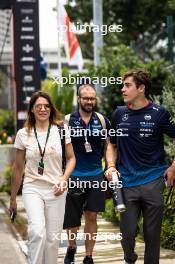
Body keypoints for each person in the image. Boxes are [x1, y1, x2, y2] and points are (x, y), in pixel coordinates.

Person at [105, 69, 175, 264]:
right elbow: (111, 144)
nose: (122, 89)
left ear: (141, 88)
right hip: (126, 182)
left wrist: (174, 166)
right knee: (126, 234)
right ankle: (129, 256)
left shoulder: (159, 113)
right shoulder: (119, 114)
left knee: (152, 235)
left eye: (127, 85)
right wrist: (110, 165)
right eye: (122, 85)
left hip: (154, 180)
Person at [9, 91, 76, 264]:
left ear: (51, 109)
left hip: (56, 189)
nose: (43, 109)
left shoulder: (61, 130)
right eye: (38, 106)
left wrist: (63, 179)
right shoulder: (23, 134)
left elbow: (71, 158)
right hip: (33, 188)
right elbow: (17, 167)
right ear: (31, 109)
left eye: (46, 106)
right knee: (37, 232)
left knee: (53, 239)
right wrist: (13, 199)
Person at [63, 84, 110, 264]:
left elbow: (109, 146)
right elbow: (61, 150)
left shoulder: (102, 120)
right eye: (86, 98)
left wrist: (109, 167)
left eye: (92, 98)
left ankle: (89, 256)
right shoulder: (67, 121)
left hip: (96, 175)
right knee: (73, 218)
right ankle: (72, 247)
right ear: (78, 99)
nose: (90, 101)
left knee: (92, 215)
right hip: (74, 176)